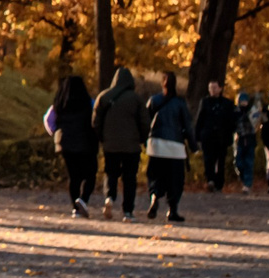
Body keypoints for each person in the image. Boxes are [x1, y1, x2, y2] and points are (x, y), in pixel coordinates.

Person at [93, 67, 147, 220]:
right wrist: (141, 139)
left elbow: (95, 122)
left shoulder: (103, 97)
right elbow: (145, 122)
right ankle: (128, 211)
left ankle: (109, 197)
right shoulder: (136, 99)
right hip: (131, 146)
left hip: (111, 144)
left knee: (111, 173)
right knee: (130, 178)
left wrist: (103, 138)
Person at [144, 72, 193, 223]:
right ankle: (172, 209)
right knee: (175, 179)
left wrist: (144, 139)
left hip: (156, 143)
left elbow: (145, 121)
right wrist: (194, 145)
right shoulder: (180, 103)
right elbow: (188, 125)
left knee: (155, 174)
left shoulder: (153, 100)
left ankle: (154, 196)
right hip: (175, 145)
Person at [47, 75, 98, 216]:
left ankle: (75, 208)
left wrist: (55, 133)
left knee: (74, 176)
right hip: (86, 142)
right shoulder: (89, 103)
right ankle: (83, 199)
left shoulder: (59, 104)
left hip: (66, 143)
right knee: (90, 174)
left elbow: (48, 120)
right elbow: (96, 120)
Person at [193, 79, 236, 194]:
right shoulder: (205, 102)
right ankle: (210, 179)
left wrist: (230, 135)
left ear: (220, 88)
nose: (212, 90)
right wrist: (197, 137)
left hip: (222, 137)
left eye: (214, 88)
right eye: (210, 88)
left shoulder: (227, 104)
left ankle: (219, 183)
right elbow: (199, 119)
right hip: (208, 136)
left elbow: (231, 122)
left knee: (220, 161)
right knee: (208, 159)